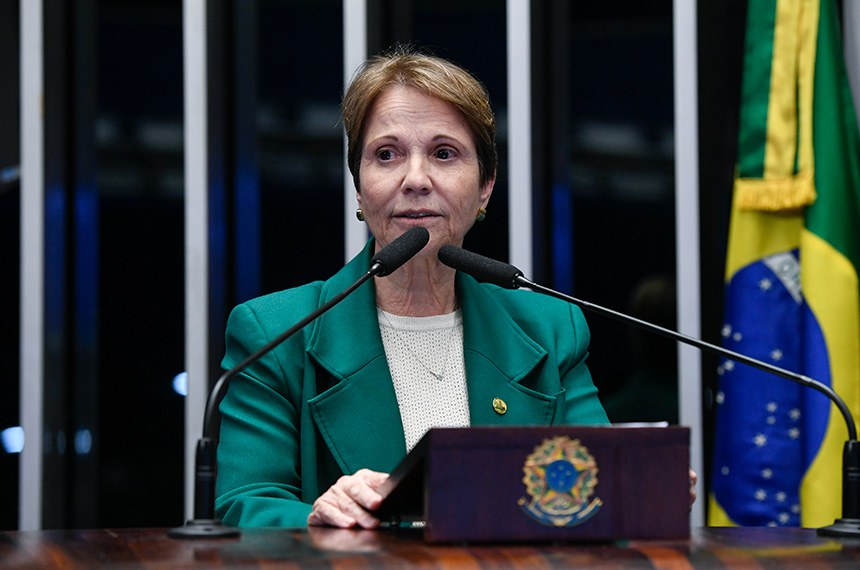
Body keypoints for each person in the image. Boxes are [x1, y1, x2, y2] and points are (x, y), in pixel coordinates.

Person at [215, 47, 630, 529]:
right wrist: (314, 519)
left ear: (485, 186)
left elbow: (595, 490)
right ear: (359, 186)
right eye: (386, 155)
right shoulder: (274, 333)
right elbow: (242, 506)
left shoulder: (551, 330)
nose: (415, 179)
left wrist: (641, 486)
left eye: (444, 153)